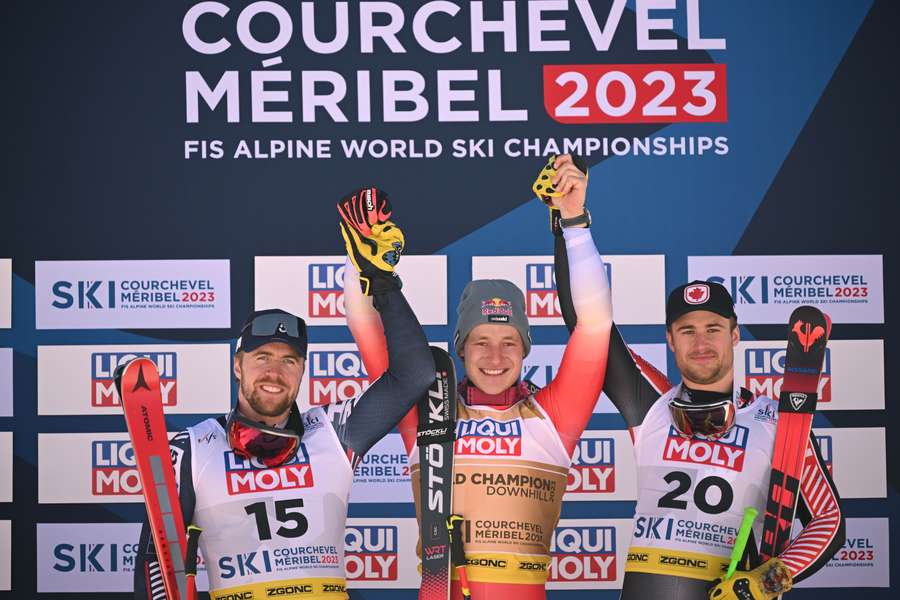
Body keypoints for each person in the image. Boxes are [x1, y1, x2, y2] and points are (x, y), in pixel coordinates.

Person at [133, 188, 435, 600]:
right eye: (261, 358)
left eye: (289, 361)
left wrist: (380, 279)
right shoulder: (191, 448)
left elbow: (415, 373)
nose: (274, 372)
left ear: (302, 372)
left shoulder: (332, 431)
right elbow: (155, 561)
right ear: (237, 365)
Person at [344, 155, 613, 600]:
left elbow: (595, 323)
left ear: (525, 349)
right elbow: (365, 325)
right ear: (461, 348)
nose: (494, 355)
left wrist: (575, 223)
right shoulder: (427, 407)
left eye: (509, 341)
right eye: (479, 341)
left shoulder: (553, 416)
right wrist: (364, 261)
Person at [554, 226, 845, 599]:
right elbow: (587, 325)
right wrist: (570, 222)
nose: (701, 342)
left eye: (713, 328)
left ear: (735, 335)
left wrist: (763, 582)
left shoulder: (777, 420)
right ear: (670, 340)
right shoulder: (652, 404)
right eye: (687, 330)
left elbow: (827, 520)